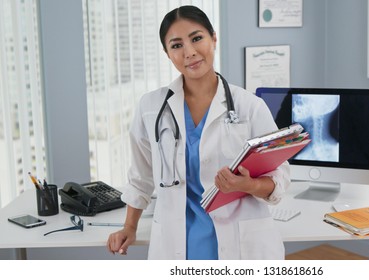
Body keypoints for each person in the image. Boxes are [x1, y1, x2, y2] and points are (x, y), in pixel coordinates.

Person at [106, 5, 290, 260]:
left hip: (241, 247)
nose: (190, 52)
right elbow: (141, 177)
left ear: (213, 38)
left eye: (196, 38)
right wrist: (129, 226)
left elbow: (279, 178)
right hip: (178, 246)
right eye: (177, 45)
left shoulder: (250, 107)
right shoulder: (151, 108)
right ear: (167, 53)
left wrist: (249, 185)